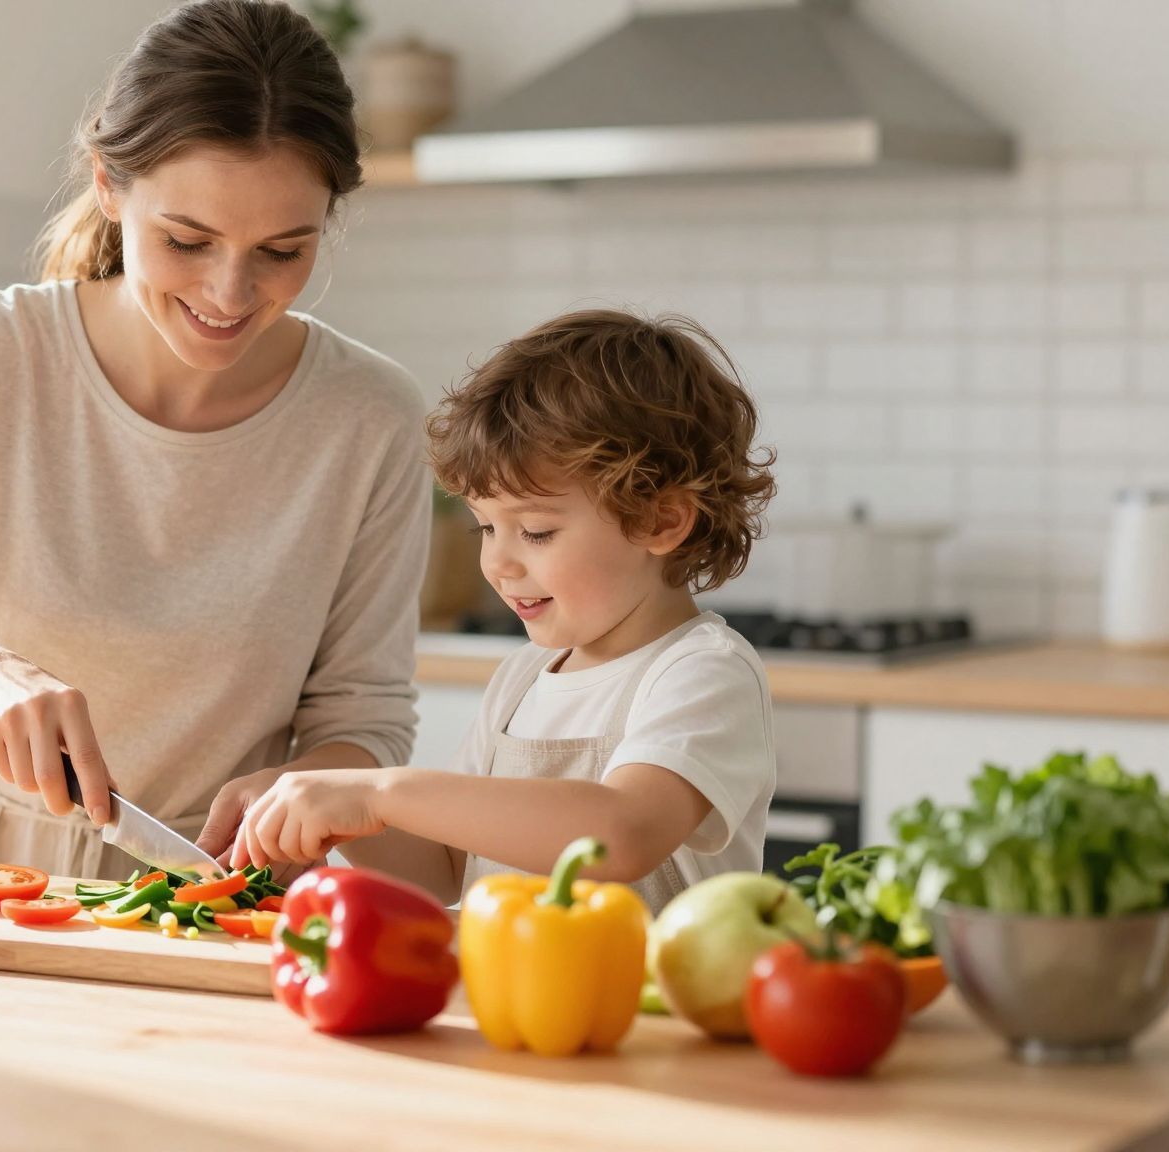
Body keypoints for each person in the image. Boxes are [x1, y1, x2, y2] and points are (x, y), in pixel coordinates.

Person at [0, 0, 430, 880]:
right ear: (108, 184)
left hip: (214, 896)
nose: (231, 291)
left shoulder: (369, 417)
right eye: (187, 239)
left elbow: (364, 722)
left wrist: (300, 788)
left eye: (283, 251)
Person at [225, 310, 778, 913]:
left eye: (536, 532)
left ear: (661, 520)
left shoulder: (700, 673)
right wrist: (336, 818)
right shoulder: (521, 680)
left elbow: (622, 834)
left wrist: (380, 792)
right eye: (486, 527)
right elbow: (446, 870)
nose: (499, 564)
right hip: (513, 1002)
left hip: (646, 1007)